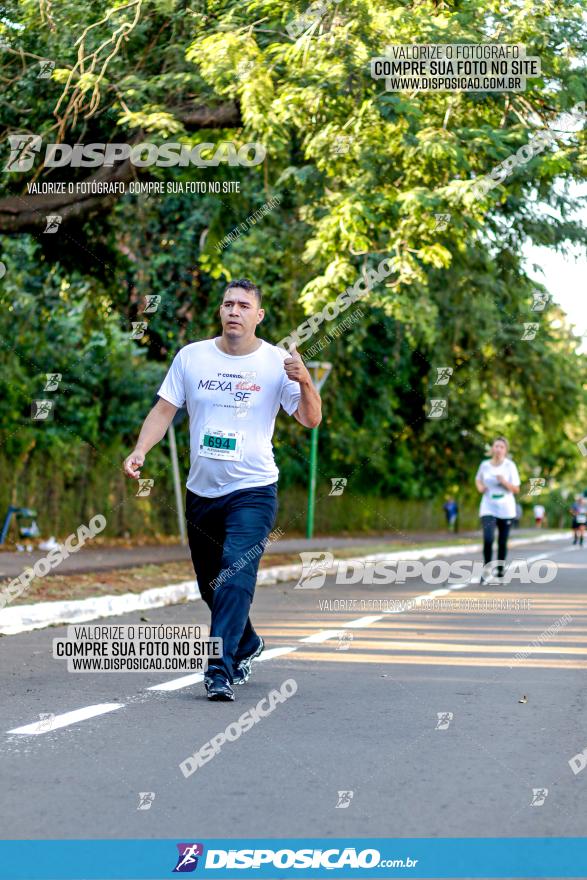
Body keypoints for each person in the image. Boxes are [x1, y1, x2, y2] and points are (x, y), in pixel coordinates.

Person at [123, 279, 322, 701]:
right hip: (202, 493)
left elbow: (309, 419)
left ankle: (220, 669)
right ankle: (247, 641)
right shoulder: (192, 357)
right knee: (211, 584)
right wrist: (141, 449)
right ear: (221, 311)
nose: (235, 310)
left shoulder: (276, 362)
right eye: (228, 303)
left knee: (235, 571)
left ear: (258, 315)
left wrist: (306, 381)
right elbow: (163, 411)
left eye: (244, 305)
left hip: (253, 488)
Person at [475, 437, 521, 581]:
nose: (498, 449)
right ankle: (487, 571)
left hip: (506, 509)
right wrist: (480, 487)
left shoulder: (510, 466)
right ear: (492, 449)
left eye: (501, 447)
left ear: (505, 450)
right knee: (488, 539)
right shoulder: (484, 465)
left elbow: (516, 489)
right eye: (496, 446)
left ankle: (500, 569)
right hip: (488, 507)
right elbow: (478, 479)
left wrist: (504, 481)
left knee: (502, 541)